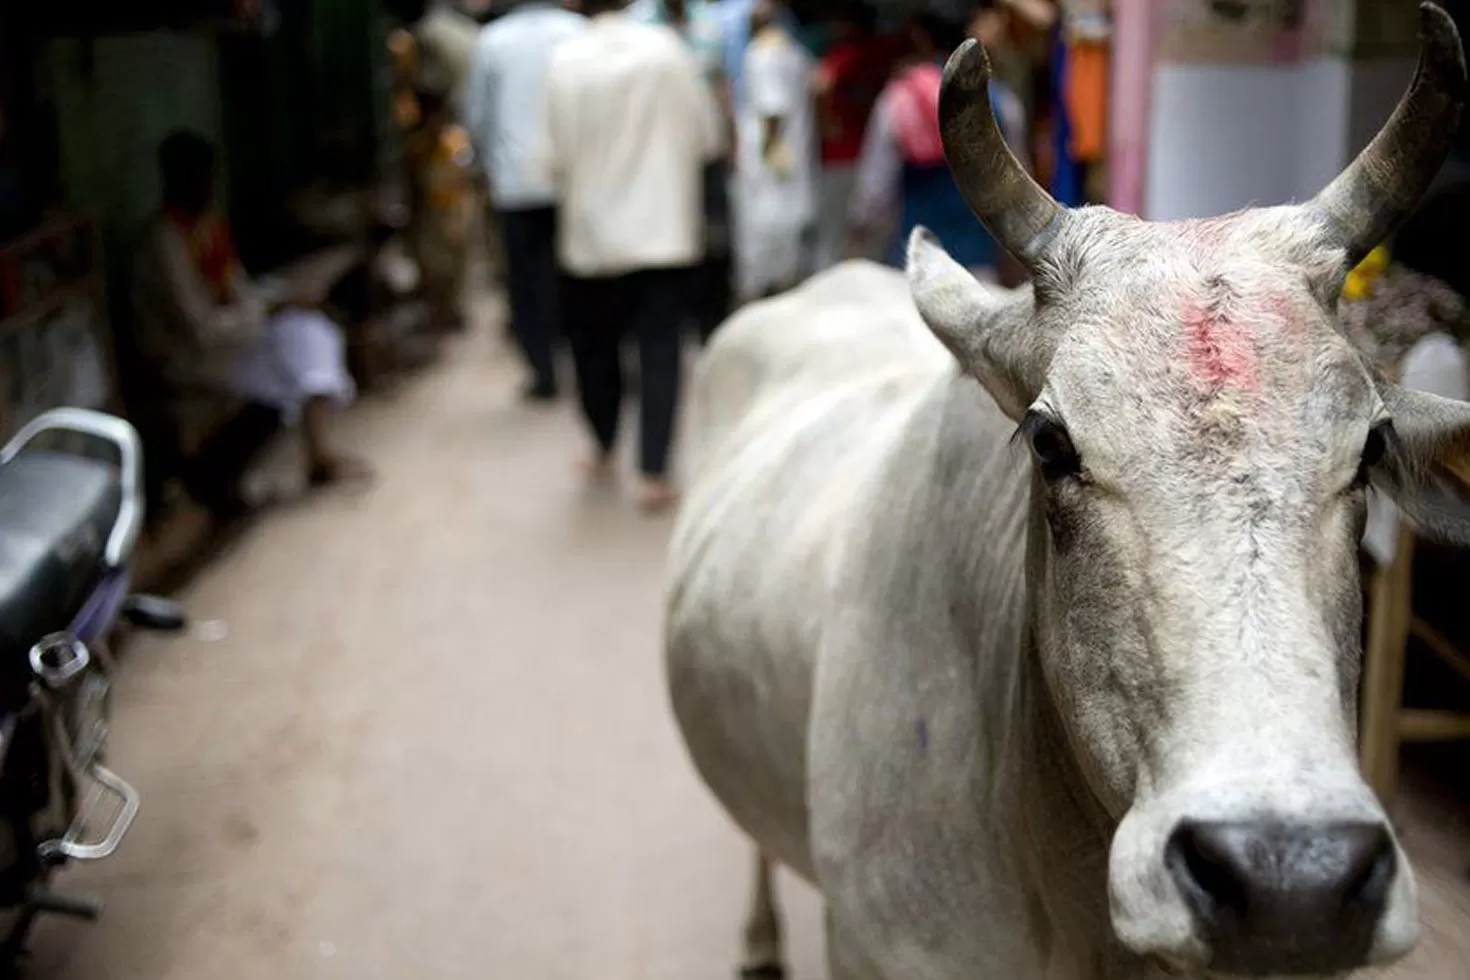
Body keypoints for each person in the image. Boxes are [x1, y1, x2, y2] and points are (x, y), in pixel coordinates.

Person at [533, 0, 724, 510]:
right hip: (662, 232)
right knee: (661, 349)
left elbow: (548, 157)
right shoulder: (670, 53)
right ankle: (654, 473)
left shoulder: (564, 61)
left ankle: (601, 443)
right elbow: (708, 139)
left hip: (589, 236)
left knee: (594, 349)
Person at [132, 131, 369, 521]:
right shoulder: (163, 243)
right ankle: (217, 482)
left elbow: (240, 292)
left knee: (308, 333)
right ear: (175, 179)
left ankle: (319, 455)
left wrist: (279, 304)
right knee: (279, 374)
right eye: (198, 177)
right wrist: (268, 311)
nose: (207, 186)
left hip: (231, 340)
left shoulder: (208, 230)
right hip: (187, 359)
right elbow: (201, 328)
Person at [466, 0, 588, 400]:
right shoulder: (576, 31)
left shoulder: (492, 41)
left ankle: (544, 371)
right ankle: (587, 362)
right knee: (577, 273)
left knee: (527, 280)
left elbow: (478, 117)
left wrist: (484, 166)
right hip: (572, 177)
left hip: (515, 183)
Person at [849, 7, 1027, 280]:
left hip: (916, 263)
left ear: (921, 37)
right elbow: (1018, 190)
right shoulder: (1002, 101)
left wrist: (860, 236)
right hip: (979, 265)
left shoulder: (898, 99)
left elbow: (874, 192)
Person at [625, 0, 734, 342]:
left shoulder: (707, 22)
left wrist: (730, 138)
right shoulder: (636, 23)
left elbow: (719, 83)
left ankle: (711, 327)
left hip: (704, 149)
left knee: (713, 239)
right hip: (654, 153)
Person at [732, 0, 818, 303]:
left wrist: (771, 151)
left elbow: (772, 109)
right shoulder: (794, 52)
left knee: (764, 234)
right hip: (794, 160)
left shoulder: (762, 55)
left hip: (769, 164)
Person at [810, 0, 901, 270]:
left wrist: (827, 125)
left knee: (835, 234)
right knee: (871, 236)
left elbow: (820, 85)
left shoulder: (847, 52)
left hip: (842, 155)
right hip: (871, 156)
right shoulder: (883, 51)